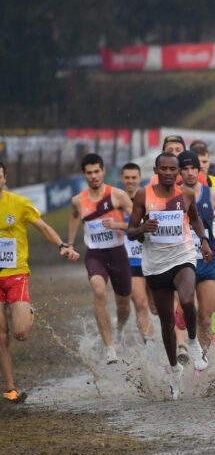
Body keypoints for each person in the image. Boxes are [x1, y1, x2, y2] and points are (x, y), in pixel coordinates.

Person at [127, 152, 214, 399]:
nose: (167, 173)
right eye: (162, 169)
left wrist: (205, 242)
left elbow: (196, 221)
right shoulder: (144, 195)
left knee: (187, 300)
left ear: (177, 172)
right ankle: (174, 369)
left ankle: (194, 343)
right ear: (156, 170)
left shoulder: (186, 194)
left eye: (171, 169)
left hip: (183, 256)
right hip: (155, 264)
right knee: (166, 322)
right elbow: (131, 232)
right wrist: (142, 228)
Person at [0, 161, 79, 402]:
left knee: (20, 333)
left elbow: (43, 226)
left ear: (4, 178)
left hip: (16, 274)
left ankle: (27, 312)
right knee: (0, 336)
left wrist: (62, 245)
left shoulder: (19, 203)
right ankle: (11, 388)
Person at [66, 153, 135, 363]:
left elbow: (138, 223)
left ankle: (119, 330)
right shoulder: (78, 200)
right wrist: (69, 245)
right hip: (95, 254)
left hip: (118, 253)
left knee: (124, 304)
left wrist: (118, 225)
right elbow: (75, 218)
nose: (94, 176)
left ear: (103, 171)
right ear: (83, 174)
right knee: (98, 290)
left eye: (97, 171)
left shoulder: (118, 195)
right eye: (89, 173)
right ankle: (109, 348)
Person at [179, 151, 215, 354]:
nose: (191, 172)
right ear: (180, 171)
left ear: (199, 169)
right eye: (185, 169)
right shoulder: (174, 196)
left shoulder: (212, 196)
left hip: (207, 263)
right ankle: (185, 346)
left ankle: (203, 359)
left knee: (205, 317)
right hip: (183, 263)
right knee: (187, 311)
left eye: (194, 168)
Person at [119, 162, 155, 341]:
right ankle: (149, 346)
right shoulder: (116, 201)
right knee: (140, 304)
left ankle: (173, 342)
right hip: (130, 261)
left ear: (140, 178)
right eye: (127, 177)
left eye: (134, 177)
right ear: (122, 179)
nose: (130, 181)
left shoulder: (149, 198)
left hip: (152, 258)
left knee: (156, 307)